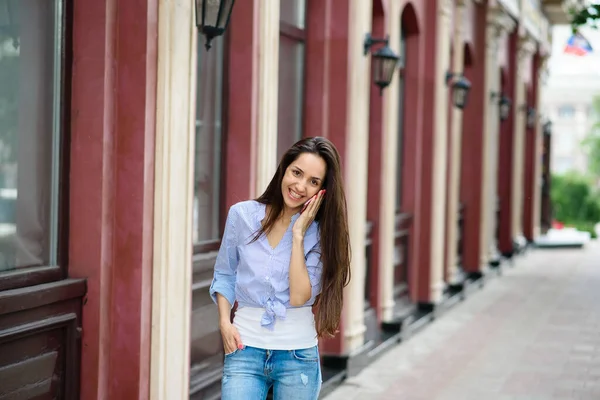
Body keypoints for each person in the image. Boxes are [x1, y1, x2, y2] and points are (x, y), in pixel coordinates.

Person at [209, 137, 351, 400]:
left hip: (297, 357)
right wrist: (224, 323)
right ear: (284, 169)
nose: (300, 186)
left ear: (322, 191)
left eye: (313, 182)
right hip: (244, 348)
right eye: (297, 173)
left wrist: (298, 234)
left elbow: (300, 296)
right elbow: (225, 273)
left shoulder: (321, 234)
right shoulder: (242, 216)